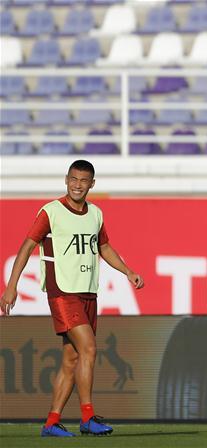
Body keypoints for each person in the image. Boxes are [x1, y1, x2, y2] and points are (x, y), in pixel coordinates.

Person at [1, 160, 145, 437]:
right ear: (66, 180)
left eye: (83, 181)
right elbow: (27, 246)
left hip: (88, 291)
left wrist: (128, 271)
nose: (77, 185)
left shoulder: (96, 214)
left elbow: (103, 246)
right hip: (63, 292)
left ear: (92, 184)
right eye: (73, 179)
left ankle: (51, 423)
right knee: (89, 348)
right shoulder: (50, 212)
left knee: (71, 359)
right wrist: (11, 286)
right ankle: (88, 417)